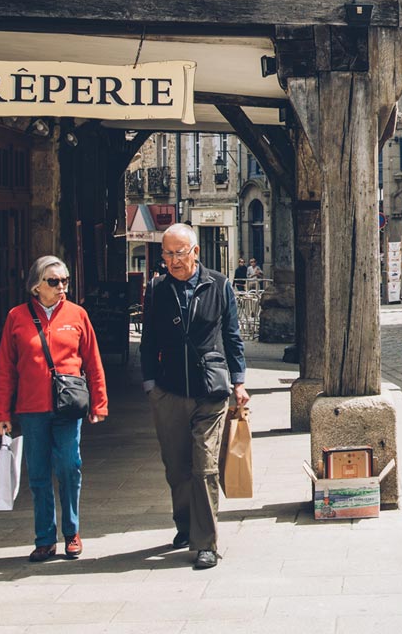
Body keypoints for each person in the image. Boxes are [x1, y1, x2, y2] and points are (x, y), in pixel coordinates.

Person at [141, 224, 249, 570]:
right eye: (167, 254)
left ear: (195, 252)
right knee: (177, 467)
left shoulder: (219, 285)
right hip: (170, 389)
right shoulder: (157, 289)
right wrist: (150, 385)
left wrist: (239, 381)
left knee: (204, 468)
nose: (172, 260)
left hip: (210, 390)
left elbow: (232, 336)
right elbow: (148, 341)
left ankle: (206, 543)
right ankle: (185, 525)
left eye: (179, 253)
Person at [0, 255, 108, 562]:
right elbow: (5, 368)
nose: (61, 288)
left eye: (65, 281)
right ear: (36, 286)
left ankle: (72, 532)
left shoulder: (77, 315)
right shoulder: (17, 318)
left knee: (70, 466)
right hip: (32, 408)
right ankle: (45, 538)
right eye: (53, 281)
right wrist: (1, 413)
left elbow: (93, 361)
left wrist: (99, 402)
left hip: (68, 406)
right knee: (39, 474)